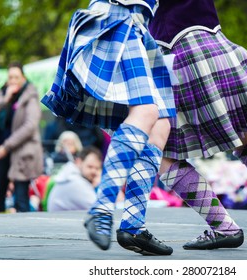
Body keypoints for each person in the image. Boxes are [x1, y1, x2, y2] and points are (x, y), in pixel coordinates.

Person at [137, 0, 247, 250]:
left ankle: (223, 227)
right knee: (241, 134)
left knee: (162, 151)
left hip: (179, 56)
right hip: (219, 49)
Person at [41, 0, 176, 255]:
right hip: (119, 16)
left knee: (160, 126)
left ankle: (133, 226)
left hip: (138, 26)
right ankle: (101, 209)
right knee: (146, 111)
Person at [0, 62, 44, 212]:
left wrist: (7, 146)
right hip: (1, 150)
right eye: (10, 77)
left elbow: (30, 125)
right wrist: (4, 100)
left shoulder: (30, 96)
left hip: (21, 151)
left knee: (20, 199)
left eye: (16, 77)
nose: (13, 80)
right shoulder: (3, 93)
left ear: (23, 77)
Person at [47, 146, 103, 211]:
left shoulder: (70, 176)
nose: (94, 171)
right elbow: (101, 210)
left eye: (97, 168)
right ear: (78, 162)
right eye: (90, 167)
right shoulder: (75, 182)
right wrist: (99, 186)